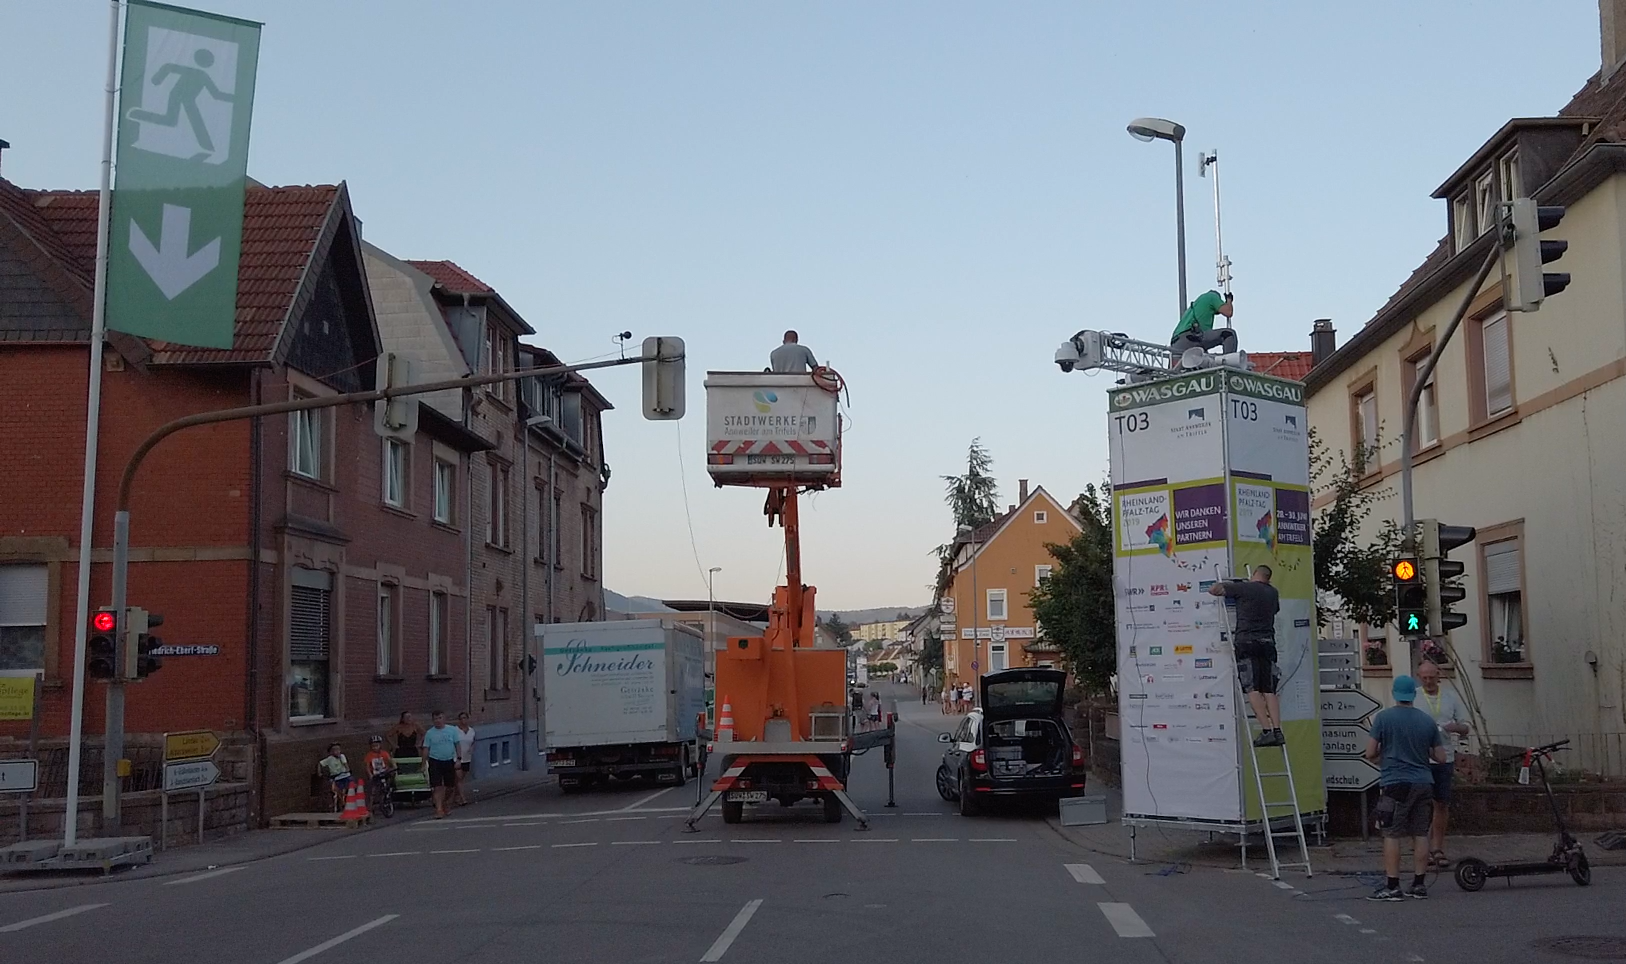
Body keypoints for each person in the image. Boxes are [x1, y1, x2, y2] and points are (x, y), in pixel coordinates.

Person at [1364, 675, 1447, 901]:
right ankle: (1419, 884)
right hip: (1423, 782)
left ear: (1395, 693)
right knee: (1420, 833)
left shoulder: (1383, 719)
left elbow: (1370, 752)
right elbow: (1441, 757)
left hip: (1395, 783)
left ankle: (1393, 886)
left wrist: (1383, 758)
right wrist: (1423, 752)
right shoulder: (1426, 721)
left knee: (1391, 834)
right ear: (1413, 694)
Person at [1209, 566, 1283, 746]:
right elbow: (1275, 611)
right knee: (1269, 689)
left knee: (1252, 688)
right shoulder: (1273, 593)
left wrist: (1230, 585)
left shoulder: (1245, 588)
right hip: (1268, 642)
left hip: (1247, 642)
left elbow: (1214, 590)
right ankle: (1277, 731)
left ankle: (1266, 731)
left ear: (1254, 575)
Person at [1416, 659, 1471, 869]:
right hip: (1420, 758)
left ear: (1439, 676)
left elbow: (1466, 727)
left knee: (1441, 804)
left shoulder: (1450, 697)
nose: (1429, 682)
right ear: (1419, 677)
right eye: (1425, 678)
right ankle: (1423, 848)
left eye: (1432, 677)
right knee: (1421, 805)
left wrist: (1456, 727)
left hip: (1444, 757)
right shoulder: (1414, 696)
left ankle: (1437, 848)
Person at [1169, 289, 1237, 363]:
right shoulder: (1212, 297)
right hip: (1192, 338)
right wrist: (1229, 300)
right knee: (1229, 334)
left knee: (1205, 363)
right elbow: (1228, 312)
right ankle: (1229, 363)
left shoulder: (1196, 304)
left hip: (1176, 345)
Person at [422, 710, 461, 818]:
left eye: (440, 718)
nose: (438, 721)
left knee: (450, 787)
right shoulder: (430, 733)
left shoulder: (452, 730)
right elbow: (426, 748)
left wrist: (458, 759)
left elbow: (457, 744)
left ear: (444, 719)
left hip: (448, 760)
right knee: (437, 786)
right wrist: (423, 763)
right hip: (435, 761)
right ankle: (439, 809)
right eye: (435, 719)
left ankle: (444, 802)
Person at [362, 736, 396, 814]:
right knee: (372, 791)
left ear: (380, 745)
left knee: (390, 780)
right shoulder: (369, 755)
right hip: (376, 774)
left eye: (377, 745)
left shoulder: (384, 753)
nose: (375, 748)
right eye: (373, 746)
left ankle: (390, 793)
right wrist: (370, 774)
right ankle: (370, 808)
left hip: (384, 772)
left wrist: (394, 767)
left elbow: (390, 761)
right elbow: (367, 766)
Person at [319, 743, 351, 812]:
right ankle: (337, 808)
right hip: (336, 777)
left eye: (338, 749)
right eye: (335, 750)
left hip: (344, 776)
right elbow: (320, 763)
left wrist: (348, 770)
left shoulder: (342, 756)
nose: (337, 751)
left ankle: (344, 805)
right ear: (331, 752)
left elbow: (346, 765)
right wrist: (319, 772)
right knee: (336, 793)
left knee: (345, 791)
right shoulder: (329, 759)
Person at [454, 711, 477, 806]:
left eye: (465, 718)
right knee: (458, 778)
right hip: (456, 757)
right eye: (461, 718)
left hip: (467, 757)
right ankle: (462, 798)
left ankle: (455, 795)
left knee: (461, 779)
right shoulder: (455, 731)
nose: (463, 720)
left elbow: (473, 741)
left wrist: (472, 748)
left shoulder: (471, 731)